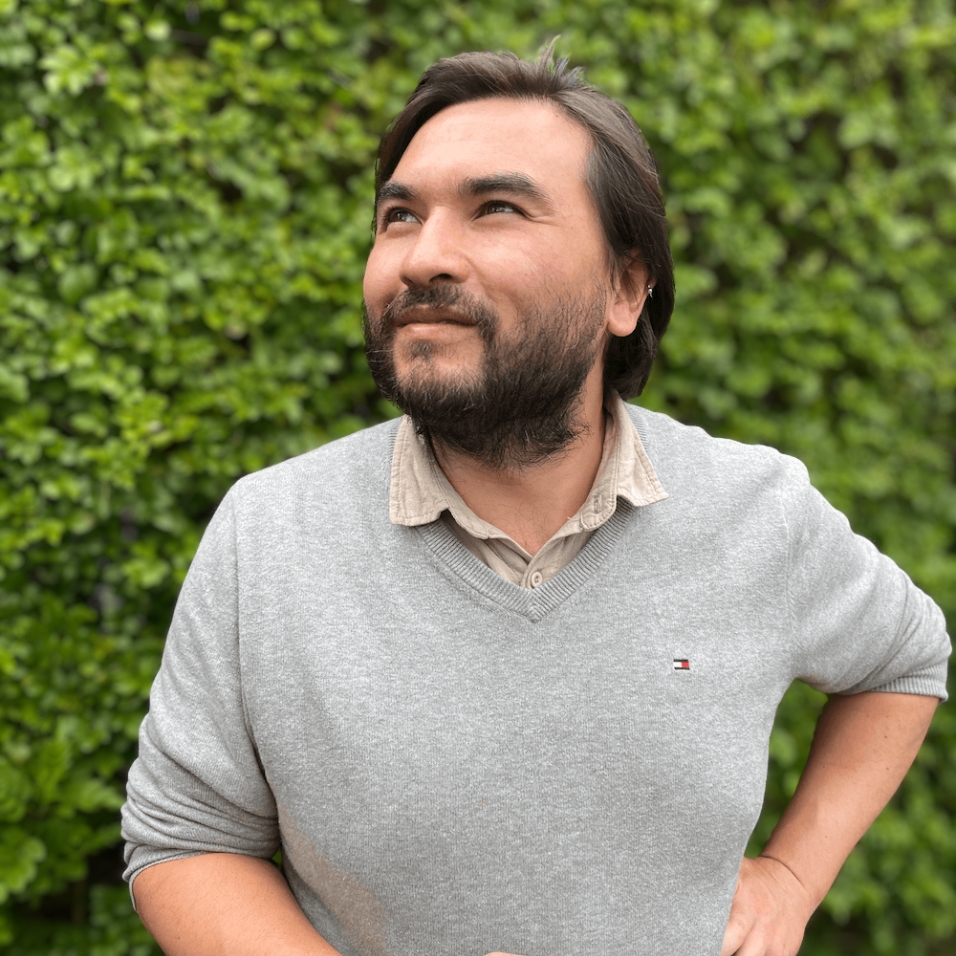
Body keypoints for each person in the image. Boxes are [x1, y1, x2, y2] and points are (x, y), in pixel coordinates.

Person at [121, 49, 950, 956]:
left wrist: (791, 878)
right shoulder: (268, 534)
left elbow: (905, 659)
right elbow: (186, 838)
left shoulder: (758, 512)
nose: (422, 256)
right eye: (399, 216)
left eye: (497, 209)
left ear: (625, 289)